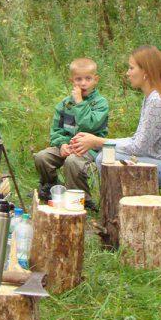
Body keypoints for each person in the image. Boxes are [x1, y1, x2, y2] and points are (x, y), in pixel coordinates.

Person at [70, 45, 161, 187]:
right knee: (107, 156)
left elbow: (138, 148)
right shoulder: (154, 95)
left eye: (131, 68)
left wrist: (97, 141)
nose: (127, 73)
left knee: (106, 158)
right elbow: (138, 141)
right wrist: (100, 142)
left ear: (145, 71)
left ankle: (117, 207)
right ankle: (122, 206)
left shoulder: (158, 100)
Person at [34, 58, 109, 211]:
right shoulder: (65, 104)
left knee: (73, 161)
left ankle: (82, 199)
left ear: (96, 79)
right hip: (67, 145)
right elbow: (56, 130)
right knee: (42, 157)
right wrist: (62, 145)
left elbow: (89, 124)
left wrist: (80, 103)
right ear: (72, 81)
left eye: (88, 79)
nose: (83, 83)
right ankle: (52, 188)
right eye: (78, 79)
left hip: (90, 149)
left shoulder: (100, 103)